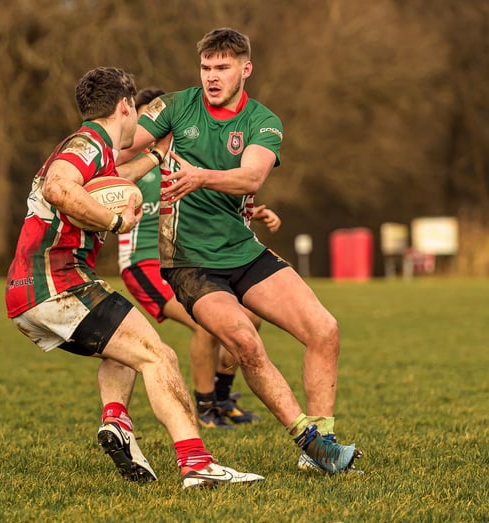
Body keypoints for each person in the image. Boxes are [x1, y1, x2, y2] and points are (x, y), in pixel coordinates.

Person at [4, 66, 263, 489]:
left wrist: (156, 156)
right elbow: (58, 187)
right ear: (126, 107)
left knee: (126, 351)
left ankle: (117, 422)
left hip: (32, 291)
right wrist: (115, 221)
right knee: (160, 358)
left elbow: (113, 180)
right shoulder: (87, 145)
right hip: (58, 284)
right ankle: (197, 464)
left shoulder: (95, 149)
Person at [117, 29, 362, 474]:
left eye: (222, 67)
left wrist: (200, 176)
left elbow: (251, 177)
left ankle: (321, 443)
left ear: (245, 69)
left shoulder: (264, 121)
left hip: (243, 251)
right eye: (206, 67)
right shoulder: (174, 105)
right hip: (189, 264)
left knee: (325, 330)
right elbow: (120, 143)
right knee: (245, 342)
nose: (212, 77)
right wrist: (85, 168)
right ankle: (312, 444)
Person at [115, 87, 281, 429]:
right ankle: (205, 407)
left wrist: (254, 212)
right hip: (145, 263)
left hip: (182, 256)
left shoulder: (184, 157)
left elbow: (211, 201)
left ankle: (220, 398)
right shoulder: (143, 164)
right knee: (207, 323)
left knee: (249, 320)